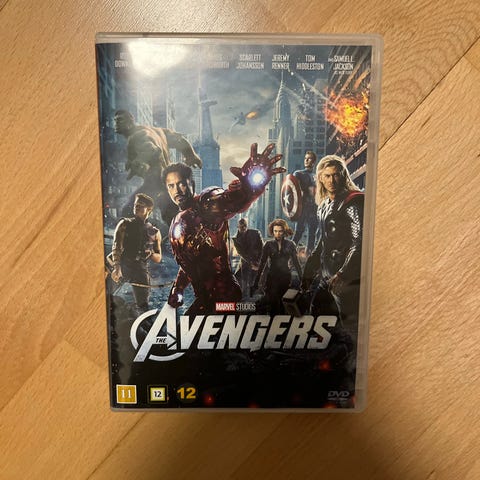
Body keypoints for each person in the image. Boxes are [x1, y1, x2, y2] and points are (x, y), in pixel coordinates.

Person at [164, 143, 284, 315]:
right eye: (171, 185)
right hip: (208, 298)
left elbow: (228, 201)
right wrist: (178, 288)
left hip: (223, 296)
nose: (177, 190)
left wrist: (248, 188)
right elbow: (192, 262)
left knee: (189, 327)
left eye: (181, 184)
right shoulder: (179, 221)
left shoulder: (205, 204)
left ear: (192, 183)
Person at [301, 155, 363, 338]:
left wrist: (343, 273)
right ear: (320, 178)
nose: (332, 180)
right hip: (327, 275)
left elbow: (359, 242)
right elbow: (322, 243)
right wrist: (308, 273)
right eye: (327, 176)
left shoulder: (352, 202)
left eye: (336, 175)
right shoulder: (323, 206)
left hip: (345, 277)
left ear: (343, 175)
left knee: (350, 327)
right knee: (316, 319)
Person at [113, 110, 202, 223]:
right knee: (171, 215)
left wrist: (139, 161)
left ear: (130, 122)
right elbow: (179, 140)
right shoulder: (157, 131)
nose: (116, 123)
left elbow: (153, 150)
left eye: (120, 120)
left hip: (154, 182)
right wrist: (191, 155)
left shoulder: (137, 136)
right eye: (115, 120)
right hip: (165, 182)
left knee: (128, 212)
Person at [111, 193, 162, 312]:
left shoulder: (154, 232)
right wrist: (117, 267)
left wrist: (151, 254)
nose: (136, 207)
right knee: (114, 300)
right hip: (124, 265)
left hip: (140, 270)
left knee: (143, 305)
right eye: (135, 204)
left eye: (140, 205)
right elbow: (116, 247)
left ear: (149, 209)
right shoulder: (124, 224)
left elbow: (159, 257)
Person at [251, 218, 302, 315]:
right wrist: (256, 282)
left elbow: (296, 263)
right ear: (272, 231)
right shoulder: (268, 244)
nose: (278, 234)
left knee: (283, 304)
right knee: (272, 304)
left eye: (280, 231)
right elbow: (262, 263)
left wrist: (302, 280)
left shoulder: (290, 244)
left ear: (284, 231)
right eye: (275, 231)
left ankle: (281, 322)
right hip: (272, 277)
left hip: (285, 277)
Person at [292, 151, 318, 254]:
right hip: (302, 207)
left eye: (309, 158)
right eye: (305, 158)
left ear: (314, 162)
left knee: (312, 233)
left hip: (314, 208)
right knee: (298, 232)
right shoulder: (298, 173)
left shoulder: (316, 176)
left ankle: (309, 256)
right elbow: (293, 188)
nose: (306, 160)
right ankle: (288, 254)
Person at [232, 218, 263, 296]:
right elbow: (241, 253)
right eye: (241, 226)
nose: (243, 228)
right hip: (246, 262)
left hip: (258, 260)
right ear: (238, 227)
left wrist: (258, 261)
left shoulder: (255, 233)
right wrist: (252, 263)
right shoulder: (235, 239)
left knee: (259, 281)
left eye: (245, 226)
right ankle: (244, 295)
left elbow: (262, 248)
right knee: (243, 282)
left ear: (247, 225)